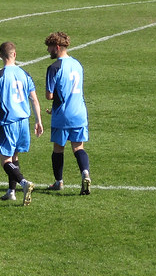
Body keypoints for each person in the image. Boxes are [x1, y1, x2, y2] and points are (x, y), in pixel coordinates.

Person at [0, 41, 43, 205]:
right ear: (15, 54)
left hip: (8, 121)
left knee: (5, 160)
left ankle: (23, 183)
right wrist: (38, 121)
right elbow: (34, 99)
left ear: (0, 56)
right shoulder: (25, 74)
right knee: (14, 157)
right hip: (23, 121)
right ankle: (11, 191)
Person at [43, 31, 92, 195]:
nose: (48, 51)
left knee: (58, 149)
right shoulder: (78, 64)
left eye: (50, 48)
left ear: (57, 47)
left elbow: (49, 95)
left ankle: (59, 182)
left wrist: (55, 107)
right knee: (78, 148)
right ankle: (85, 173)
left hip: (62, 115)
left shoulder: (54, 68)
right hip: (79, 112)